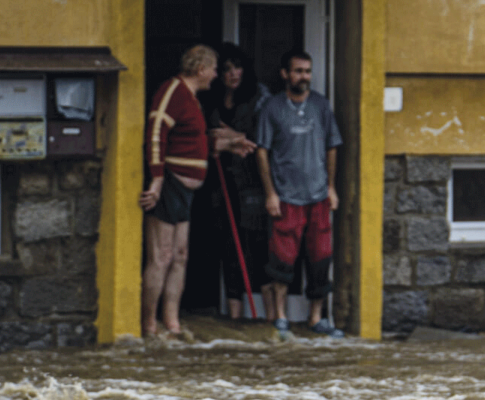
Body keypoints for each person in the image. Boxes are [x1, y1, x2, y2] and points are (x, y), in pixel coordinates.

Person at [139, 44, 255, 338]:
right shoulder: (172, 91)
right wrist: (156, 179)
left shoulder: (193, 100)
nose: (216, 76)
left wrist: (230, 144)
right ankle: (150, 326)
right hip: (171, 184)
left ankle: (173, 322)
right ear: (200, 68)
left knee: (180, 255)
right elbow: (156, 133)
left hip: (187, 190)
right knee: (162, 256)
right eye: (214, 69)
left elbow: (197, 141)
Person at [253, 50, 344, 339]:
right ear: (284, 74)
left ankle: (316, 317)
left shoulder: (321, 105)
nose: (303, 77)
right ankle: (281, 316)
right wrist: (270, 193)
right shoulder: (272, 107)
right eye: (297, 71)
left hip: (317, 196)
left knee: (320, 258)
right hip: (286, 197)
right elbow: (262, 152)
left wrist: (331, 186)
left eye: (307, 71)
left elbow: (332, 146)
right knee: (282, 259)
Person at [203, 43, 273, 320]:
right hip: (222, 184)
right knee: (229, 246)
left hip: (253, 182)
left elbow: (259, 141)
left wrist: (232, 136)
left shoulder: (259, 99)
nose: (233, 74)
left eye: (237, 67)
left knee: (258, 245)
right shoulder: (212, 103)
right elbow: (207, 137)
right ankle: (235, 314)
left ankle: (269, 314)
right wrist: (221, 140)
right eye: (227, 69)